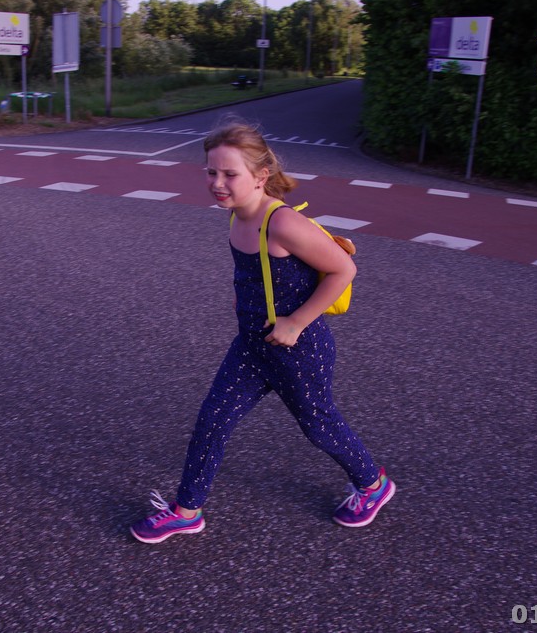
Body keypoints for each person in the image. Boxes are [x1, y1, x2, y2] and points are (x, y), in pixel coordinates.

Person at [130, 121, 395, 544]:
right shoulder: (237, 215)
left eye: (230, 174)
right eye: (211, 172)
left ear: (260, 176)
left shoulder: (282, 223)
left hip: (299, 348)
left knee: (319, 426)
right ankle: (186, 511)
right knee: (212, 420)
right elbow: (253, 273)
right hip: (252, 346)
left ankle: (373, 484)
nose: (217, 183)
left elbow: (344, 269)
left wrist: (296, 322)